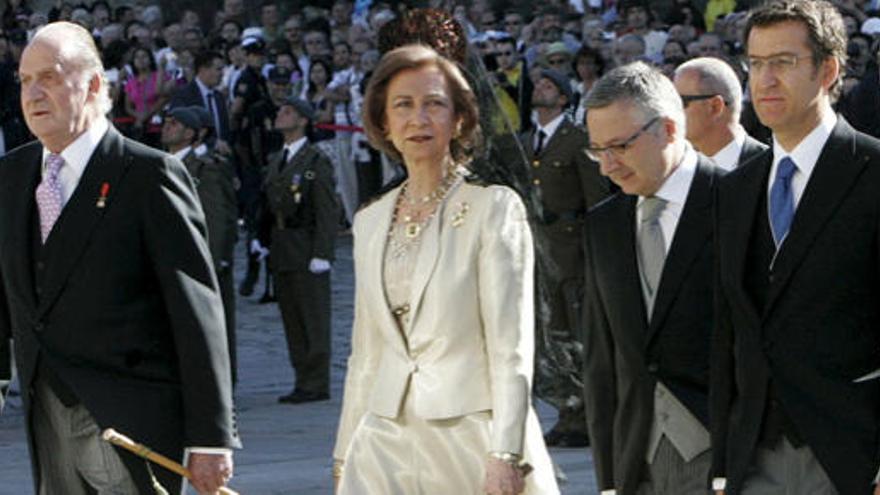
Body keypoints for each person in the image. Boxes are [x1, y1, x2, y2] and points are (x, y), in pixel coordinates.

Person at [0, 21, 238, 494]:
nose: (33, 94)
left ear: (92, 84)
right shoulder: (12, 175)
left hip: (132, 417)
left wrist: (212, 438)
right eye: (25, 81)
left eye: (48, 77)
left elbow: (197, 312)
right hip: (47, 413)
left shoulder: (148, 175)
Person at [333, 44, 559, 495]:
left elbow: (511, 344)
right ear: (383, 122)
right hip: (382, 441)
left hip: (470, 435)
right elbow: (365, 352)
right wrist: (343, 455)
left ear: (459, 119)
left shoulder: (492, 208)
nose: (419, 118)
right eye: (404, 105)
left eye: (434, 103)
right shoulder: (370, 219)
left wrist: (506, 453)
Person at [710, 2, 880, 494]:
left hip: (851, 455)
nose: (764, 80)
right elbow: (726, 336)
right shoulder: (734, 190)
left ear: (827, 70)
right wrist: (722, 465)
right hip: (752, 460)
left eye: (782, 62)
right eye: (755, 64)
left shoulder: (872, 172)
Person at [582, 61, 721, 495]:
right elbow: (602, 362)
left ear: (668, 129)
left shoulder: (738, 202)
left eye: (619, 147)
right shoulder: (603, 225)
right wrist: (608, 479)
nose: (606, 166)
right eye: (596, 150)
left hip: (725, 459)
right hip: (635, 464)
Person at [527, 68, 609, 449]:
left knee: (579, 336)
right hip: (542, 251)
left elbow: (596, 201)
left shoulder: (576, 140)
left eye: (549, 86)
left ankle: (590, 417)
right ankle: (567, 412)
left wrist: (597, 253)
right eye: (539, 84)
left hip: (572, 249)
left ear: (563, 98)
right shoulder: (530, 142)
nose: (540, 89)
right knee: (554, 338)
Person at [256, 96, 338, 405]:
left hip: (306, 245)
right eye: (279, 110)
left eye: (287, 112)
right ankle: (302, 378)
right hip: (283, 246)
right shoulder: (279, 158)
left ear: (303, 120)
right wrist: (261, 240)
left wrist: (323, 253)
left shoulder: (316, 161)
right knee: (292, 317)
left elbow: (327, 210)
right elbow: (268, 203)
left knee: (312, 317)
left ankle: (316, 381)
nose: (280, 115)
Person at [161, 106, 239, 387]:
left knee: (211, 327)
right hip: (168, 259)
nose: (167, 127)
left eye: (175, 123)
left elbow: (217, 218)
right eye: (166, 122)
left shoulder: (205, 169)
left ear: (192, 133)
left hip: (198, 258)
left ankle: (220, 386)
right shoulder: (159, 165)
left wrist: (214, 261)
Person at [672, 57, 767, 171]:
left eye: (680, 102)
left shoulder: (770, 169)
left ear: (715, 107)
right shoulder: (675, 169)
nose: (671, 110)